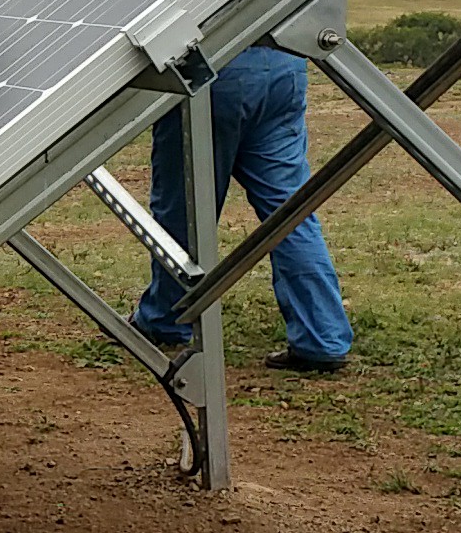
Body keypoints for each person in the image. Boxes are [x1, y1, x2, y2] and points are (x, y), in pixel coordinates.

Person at [131, 44, 353, 371]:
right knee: (290, 212)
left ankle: (166, 317)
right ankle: (322, 337)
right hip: (284, 64)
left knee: (183, 211)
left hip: (209, 66)